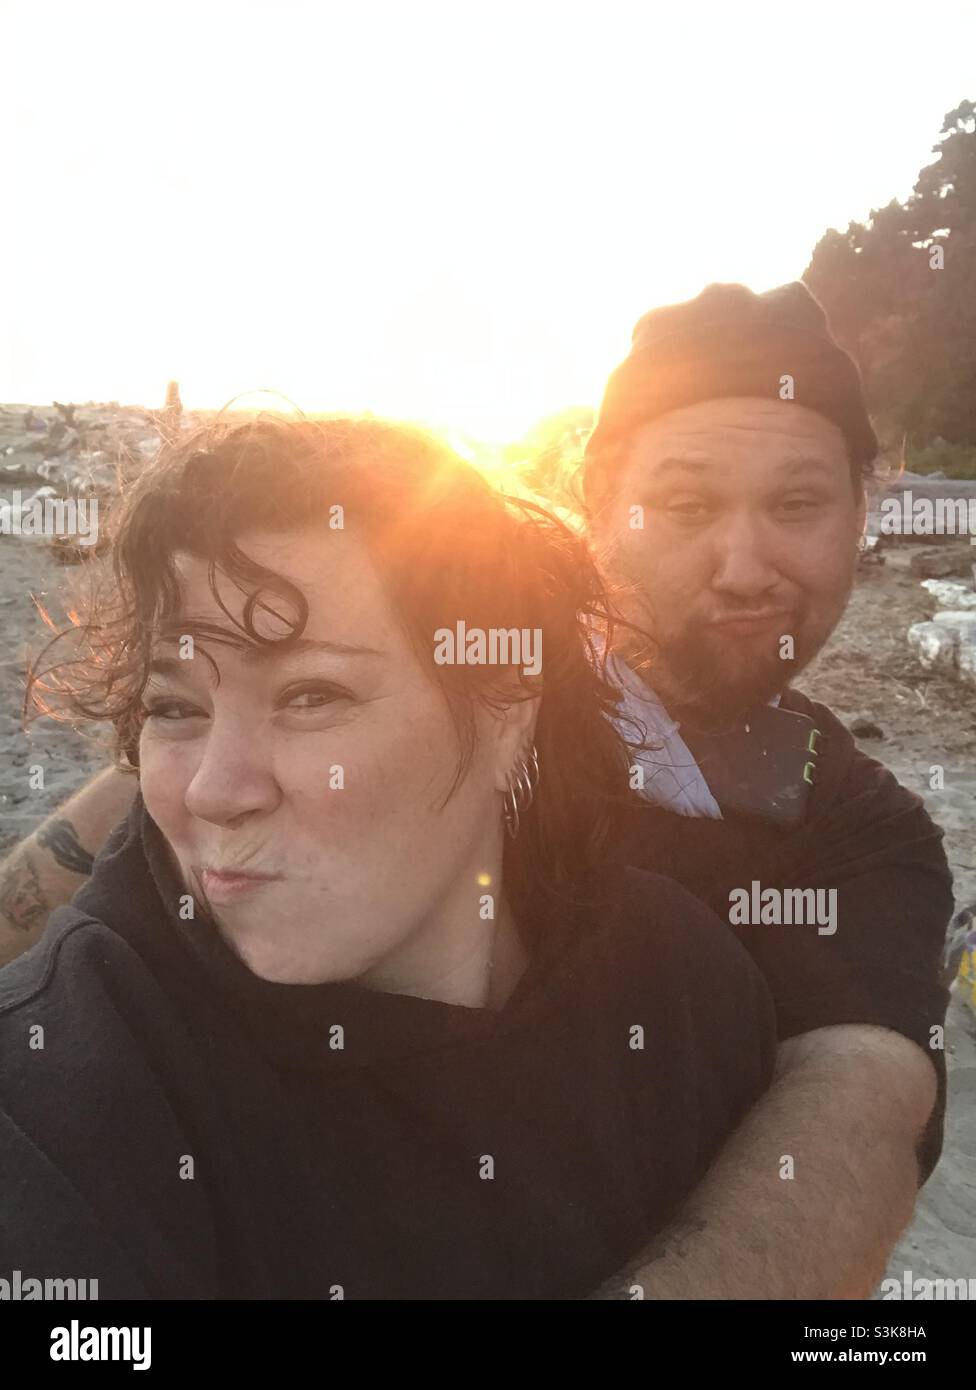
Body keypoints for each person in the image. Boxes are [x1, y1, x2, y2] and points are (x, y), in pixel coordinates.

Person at [0, 415, 776, 1299]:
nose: (214, 790)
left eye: (310, 693)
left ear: (504, 718)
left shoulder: (682, 988)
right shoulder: (63, 1107)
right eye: (175, 708)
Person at [579, 281, 952, 1299]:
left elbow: (859, 1101)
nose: (744, 567)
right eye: (688, 505)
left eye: (796, 504)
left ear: (859, 516)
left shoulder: (855, 830)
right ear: (596, 509)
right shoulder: (439, 698)